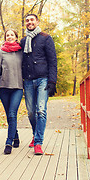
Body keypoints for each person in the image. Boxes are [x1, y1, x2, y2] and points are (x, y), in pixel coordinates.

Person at [20, 14, 57, 155]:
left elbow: (53, 60)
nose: (30, 22)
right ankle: (35, 134)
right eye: (27, 21)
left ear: (37, 22)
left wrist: (52, 81)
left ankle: (38, 142)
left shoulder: (46, 38)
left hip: (43, 79)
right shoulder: (23, 41)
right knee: (30, 112)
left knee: (41, 110)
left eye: (32, 20)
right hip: (28, 80)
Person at [0, 29, 23, 155]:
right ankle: (15, 136)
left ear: (16, 37)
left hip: (18, 87)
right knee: (9, 115)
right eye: (7, 35)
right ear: (5, 37)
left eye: (12, 35)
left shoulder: (21, 52)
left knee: (12, 114)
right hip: (4, 88)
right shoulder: (0, 52)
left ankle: (8, 142)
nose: (10, 37)